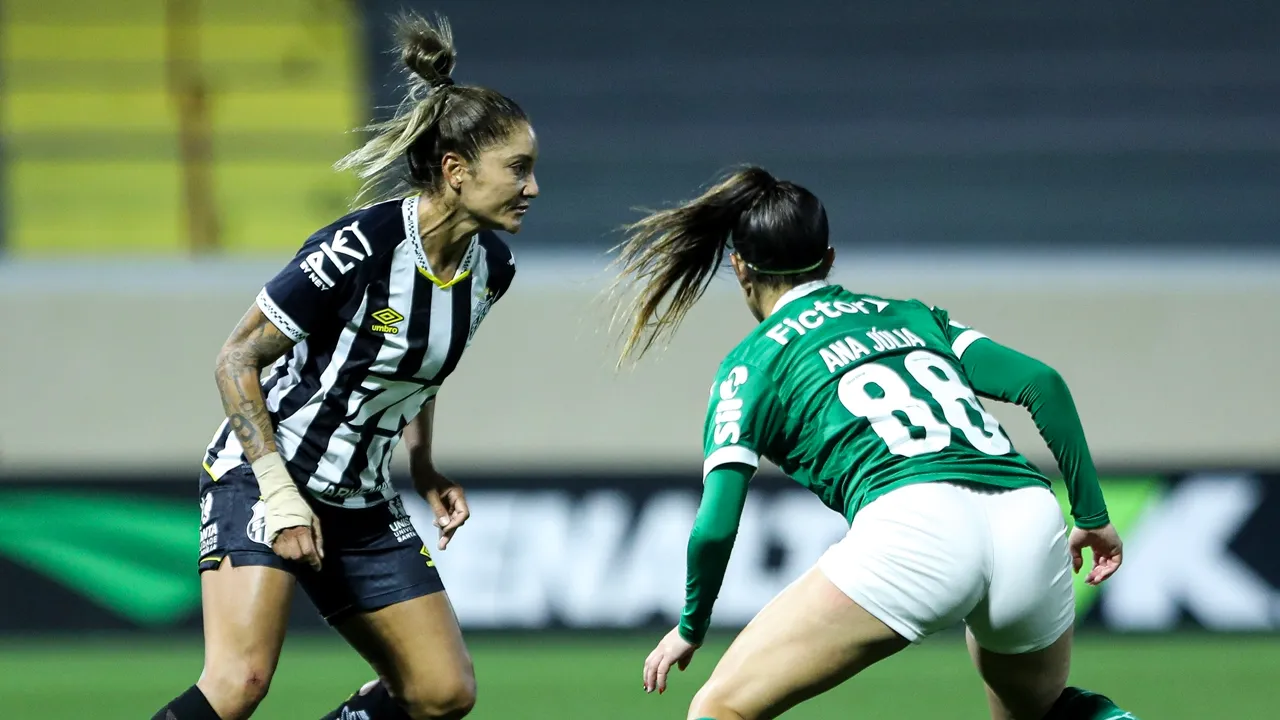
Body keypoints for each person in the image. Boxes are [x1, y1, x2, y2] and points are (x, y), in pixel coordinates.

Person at [612, 166, 1137, 720]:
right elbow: (1042, 384)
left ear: (739, 266)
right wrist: (1092, 516)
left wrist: (691, 626)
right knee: (1040, 714)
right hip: (1028, 516)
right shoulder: (912, 317)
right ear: (829, 258)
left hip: (916, 522)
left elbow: (716, 526)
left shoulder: (752, 364)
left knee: (720, 708)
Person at [151, 13, 538, 720]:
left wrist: (423, 466)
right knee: (239, 682)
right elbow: (236, 358)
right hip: (266, 472)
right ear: (456, 172)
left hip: (361, 494)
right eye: (518, 168)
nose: (532, 187)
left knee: (442, 692)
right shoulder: (361, 245)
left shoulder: (493, 268)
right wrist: (279, 491)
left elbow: (416, 371)